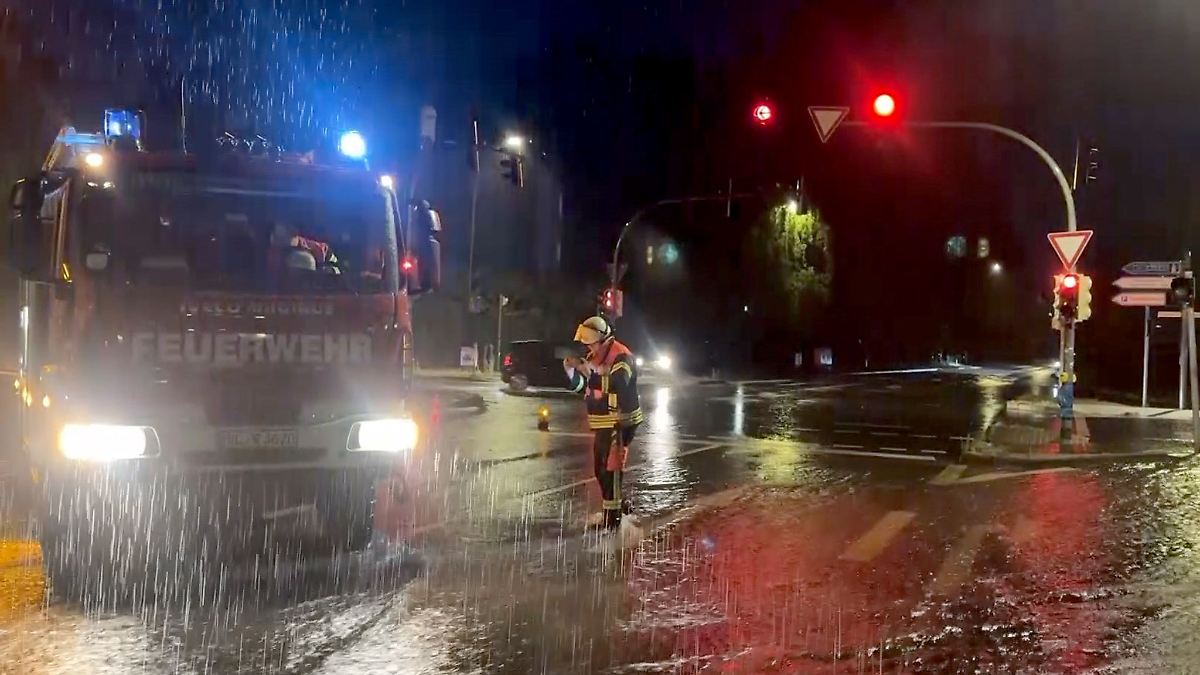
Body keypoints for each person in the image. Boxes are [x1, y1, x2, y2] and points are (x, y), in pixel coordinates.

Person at [564, 316, 644, 531]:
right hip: (604, 421)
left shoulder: (622, 356)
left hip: (620, 421)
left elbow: (619, 383)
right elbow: (585, 389)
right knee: (601, 469)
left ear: (604, 340)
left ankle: (613, 520)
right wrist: (571, 374)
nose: (588, 347)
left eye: (591, 343)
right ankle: (618, 507)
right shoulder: (595, 356)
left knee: (611, 468)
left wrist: (589, 375)